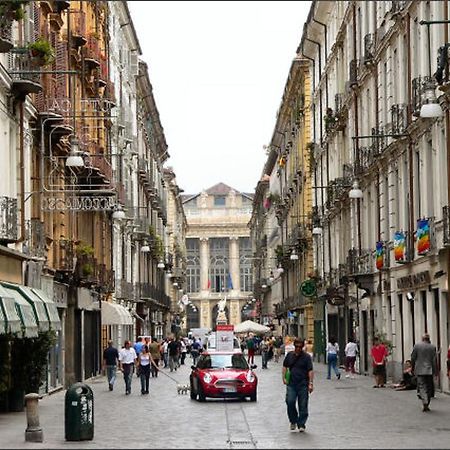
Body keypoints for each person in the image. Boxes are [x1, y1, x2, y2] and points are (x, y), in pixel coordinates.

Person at [282, 338, 314, 433]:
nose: (298, 348)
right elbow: (285, 366)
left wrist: (311, 383)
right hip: (291, 383)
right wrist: (283, 377)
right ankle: (293, 420)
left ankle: (301, 424)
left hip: (303, 384)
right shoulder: (289, 355)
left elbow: (310, 370)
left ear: (303, 346)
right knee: (290, 401)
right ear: (294, 346)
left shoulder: (307, 357)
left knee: (303, 405)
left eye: (300, 347)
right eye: (297, 346)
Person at [411, 333, 437, 412]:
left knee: (421, 386)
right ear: (429, 339)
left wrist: (412, 367)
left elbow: (413, 357)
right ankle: (427, 403)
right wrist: (435, 371)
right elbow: (434, 360)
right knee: (429, 387)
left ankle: (425, 401)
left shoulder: (417, 346)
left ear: (422, 339)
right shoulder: (432, 347)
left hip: (419, 369)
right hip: (429, 370)